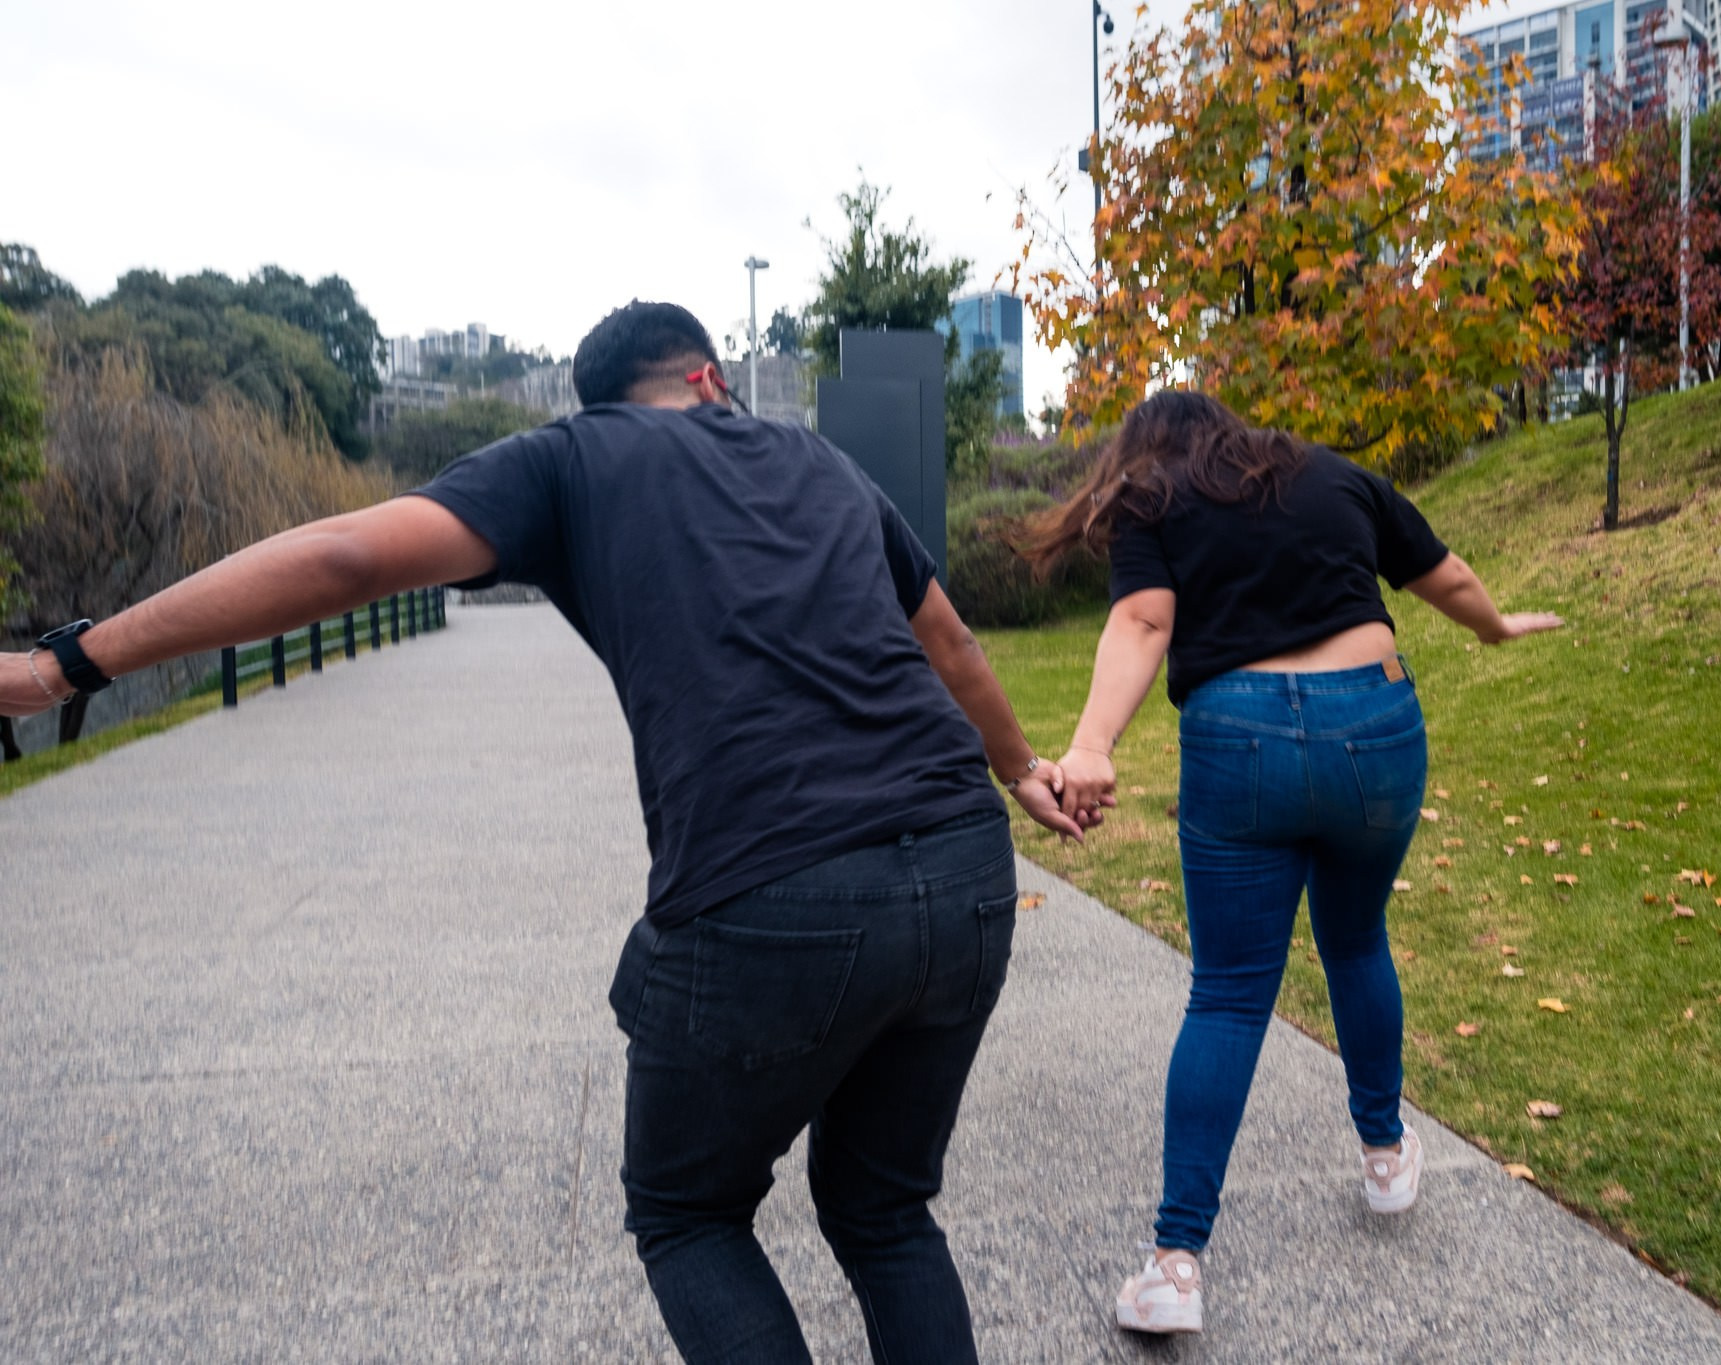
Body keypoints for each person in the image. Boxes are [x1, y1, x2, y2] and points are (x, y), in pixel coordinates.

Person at [0, 301, 1086, 1364]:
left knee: (687, 1215)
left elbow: (343, 558)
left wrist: (66, 664)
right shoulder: (822, 466)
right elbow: (945, 638)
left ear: (605, 401)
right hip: (964, 861)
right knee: (886, 1212)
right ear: (709, 379)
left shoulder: (571, 456)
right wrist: (1021, 771)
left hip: (774, 885)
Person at [1026, 390, 1560, 1336]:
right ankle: (1387, 1156)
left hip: (1240, 737)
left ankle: (1174, 1266)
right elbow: (1442, 574)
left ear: (1149, 448)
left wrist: (1094, 742)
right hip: (1377, 724)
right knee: (1356, 942)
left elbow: (1145, 623)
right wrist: (1496, 628)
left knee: (1230, 994)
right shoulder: (1333, 473)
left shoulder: (1155, 496)